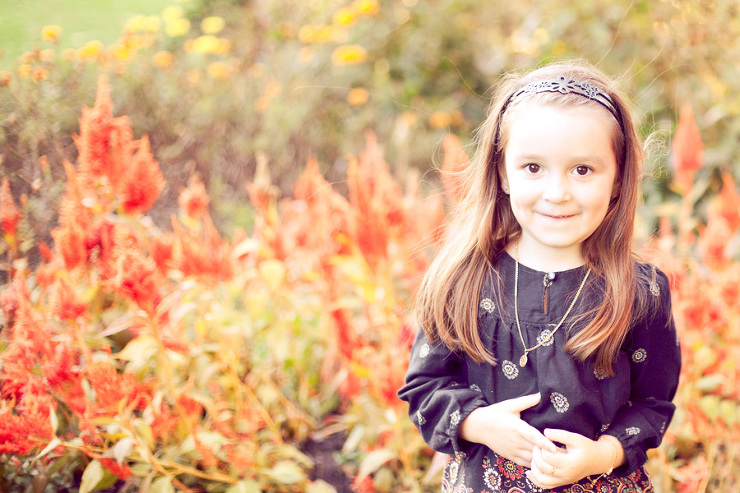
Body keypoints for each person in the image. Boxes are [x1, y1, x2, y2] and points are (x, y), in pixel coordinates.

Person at [397, 61, 681, 492]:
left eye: (582, 170)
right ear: (502, 174)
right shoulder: (465, 279)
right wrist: (478, 424)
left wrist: (601, 455)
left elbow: (652, 406)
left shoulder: (641, 292)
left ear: (619, 180)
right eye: (533, 168)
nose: (557, 192)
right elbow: (424, 387)